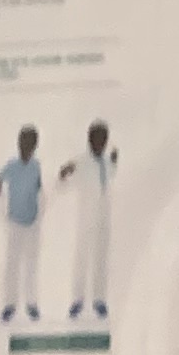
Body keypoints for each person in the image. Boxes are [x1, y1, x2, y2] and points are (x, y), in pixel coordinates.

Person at [58, 117, 117, 318]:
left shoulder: (106, 161)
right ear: (90, 139)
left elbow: (110, 176)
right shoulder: (80, 162)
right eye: (97, 138)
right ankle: (77, 300)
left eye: (104, 138)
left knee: (101, 259)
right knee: (82, 259)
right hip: (86, 218)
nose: (101, 142)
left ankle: (99, 300)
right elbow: (64, 186)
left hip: (104, 218)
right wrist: (63, 175)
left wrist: (114, 162)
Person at [0, 125, 45, 320]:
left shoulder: (36, 166)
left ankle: (31, 304)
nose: (26, 147)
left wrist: (38, 215)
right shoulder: (11, 166)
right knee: (12, 265)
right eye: (23, 142)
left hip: (32, 224)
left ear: (35, 146)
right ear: (18, 143)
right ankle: (10, 304)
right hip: (14, 223)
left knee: (31, 265)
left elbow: (39, 189)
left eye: (30, 144)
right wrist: (3, 212)